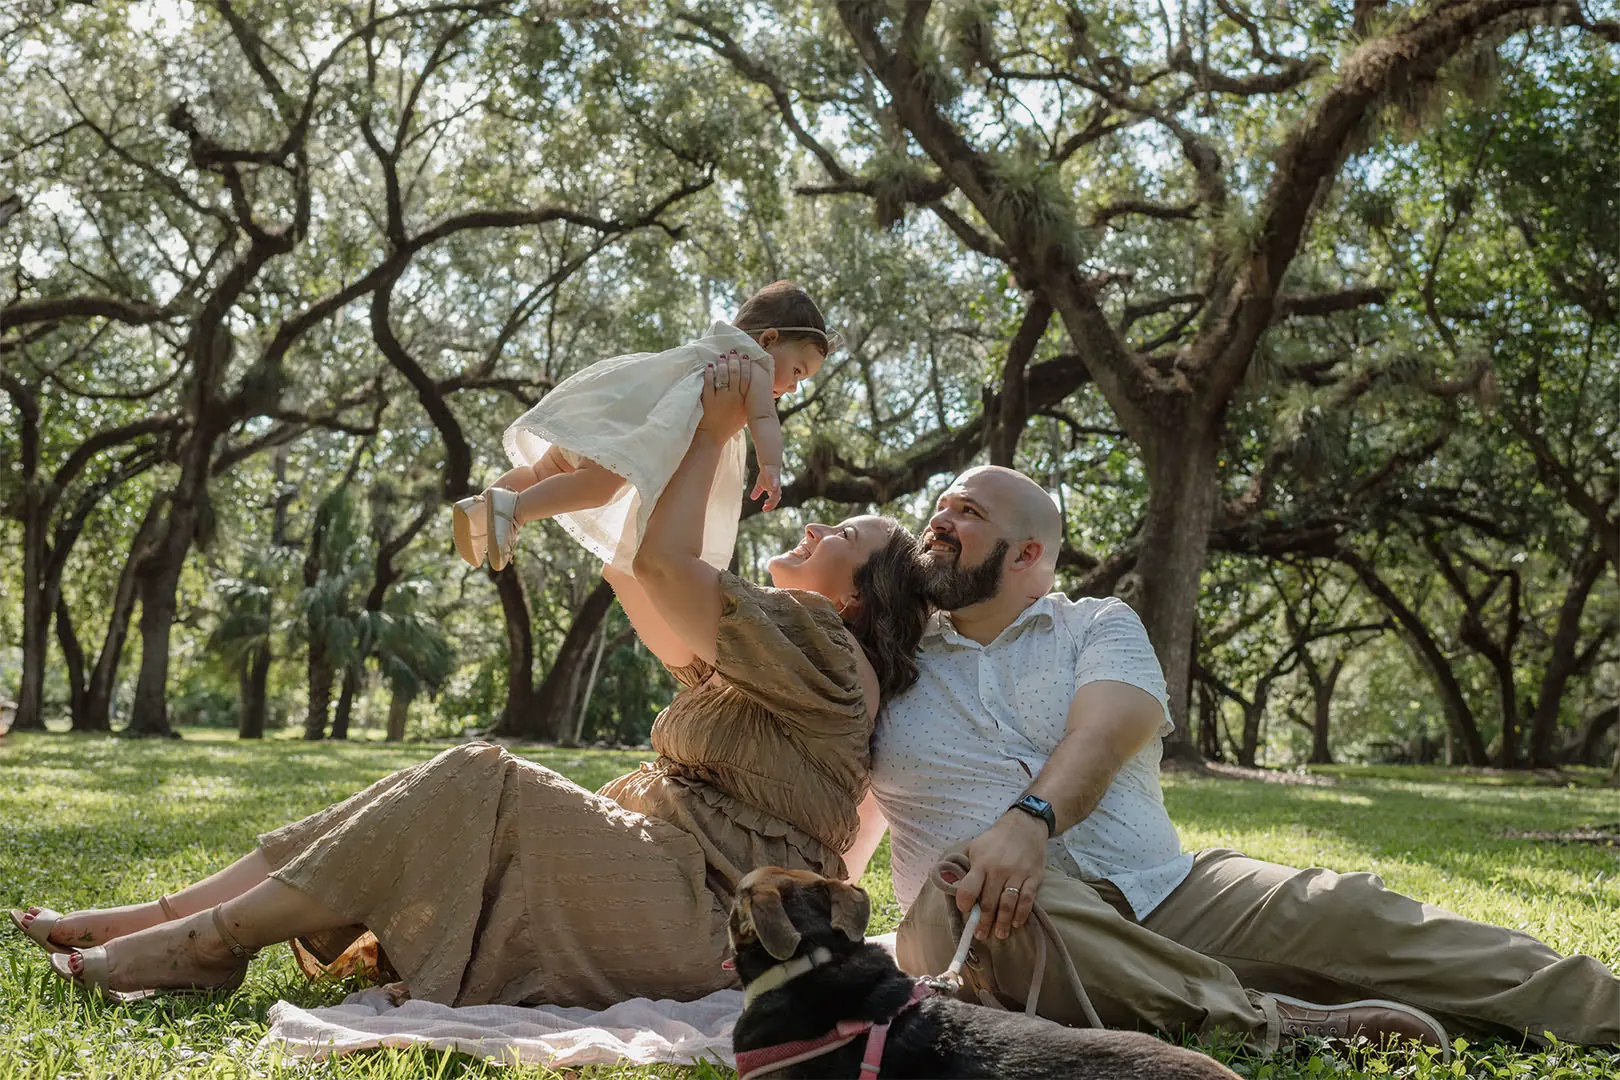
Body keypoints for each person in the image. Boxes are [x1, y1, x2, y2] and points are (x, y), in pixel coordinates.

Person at [10, 353, 926, 1007]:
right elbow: (633, 570)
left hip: (708, 916)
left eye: (841, 540)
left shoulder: (828, 654)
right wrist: (651, 432)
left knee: (479, 772)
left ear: (859, 602)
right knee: (434, 783)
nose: (813, 532)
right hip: (656, 873)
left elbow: (666, 569)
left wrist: (714, 431)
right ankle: (158, 917)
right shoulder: (774, 657)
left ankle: (203, 945)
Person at [869, 464, 1620, 1055]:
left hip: (1165, 892)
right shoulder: (889, 662)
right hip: (983, 929)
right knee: (971, 878)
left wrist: (1031, 819)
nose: (939, 519)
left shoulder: (1097, 625)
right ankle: (1273, 1024)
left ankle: (1603, 1007)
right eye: (941, 506)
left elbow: (1100, 737)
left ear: (1028, 552)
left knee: (1352, 912)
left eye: (967, 512)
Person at [452, 280, 839, 572]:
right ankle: (513, 510)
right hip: (634, 435)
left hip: (613, 409)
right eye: (798, 372)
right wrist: (771, 466)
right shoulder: (753, 364)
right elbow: (764, 420)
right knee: (597, 487)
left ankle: (482, 507)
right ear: (769, 340)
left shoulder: (718, 342)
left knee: (546, 470)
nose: (791, 386)